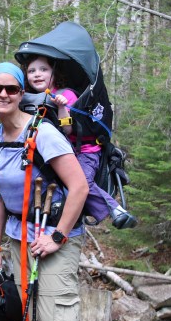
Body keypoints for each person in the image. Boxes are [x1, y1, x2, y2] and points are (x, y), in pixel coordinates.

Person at [0, 62, 109, 321]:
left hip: (55, 238)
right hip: (17, 237)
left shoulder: (43, 133)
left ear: (22, 92)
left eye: (11, 89)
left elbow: (80, 187)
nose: (3, 95)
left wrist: (56, 236)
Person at [24, 54, 137, 230]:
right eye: (32, 71)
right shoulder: (32, 99)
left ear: (54, 73)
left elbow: (68, 129)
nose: (37, 74)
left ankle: (116, 210)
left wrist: (62, 107)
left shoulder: (65, 95)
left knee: (81, 182)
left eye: (43, 69)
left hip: (85, 151)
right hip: (58, 153)